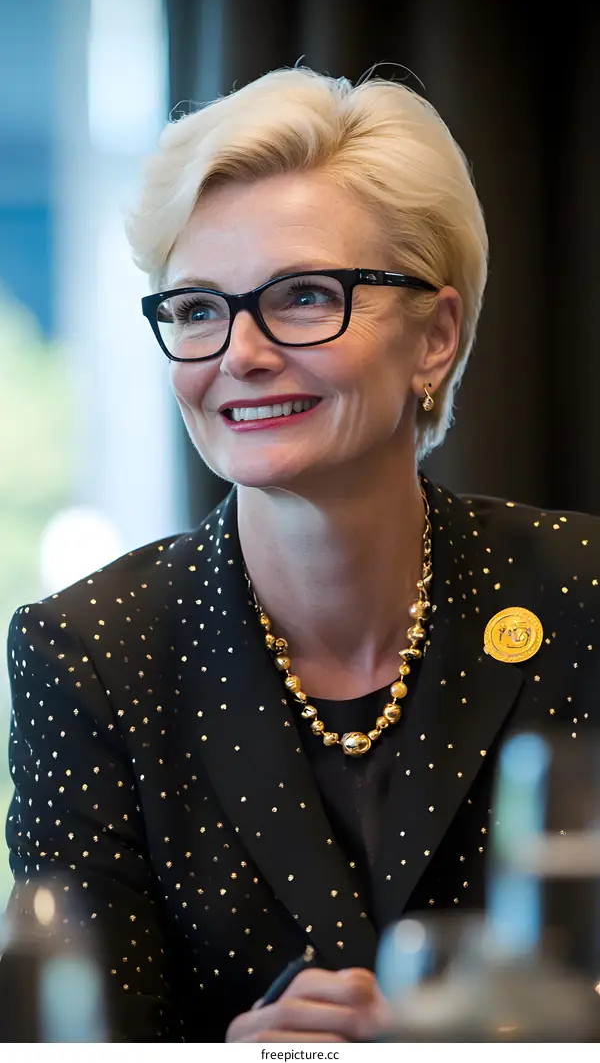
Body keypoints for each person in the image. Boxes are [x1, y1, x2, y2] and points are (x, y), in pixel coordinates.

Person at [6, 66, 600, 1044]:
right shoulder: (93, 652)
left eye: (303, 295)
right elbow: (68, 1039)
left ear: (436, 336)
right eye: (197, 307)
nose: (239, 351)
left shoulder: (580, 595)